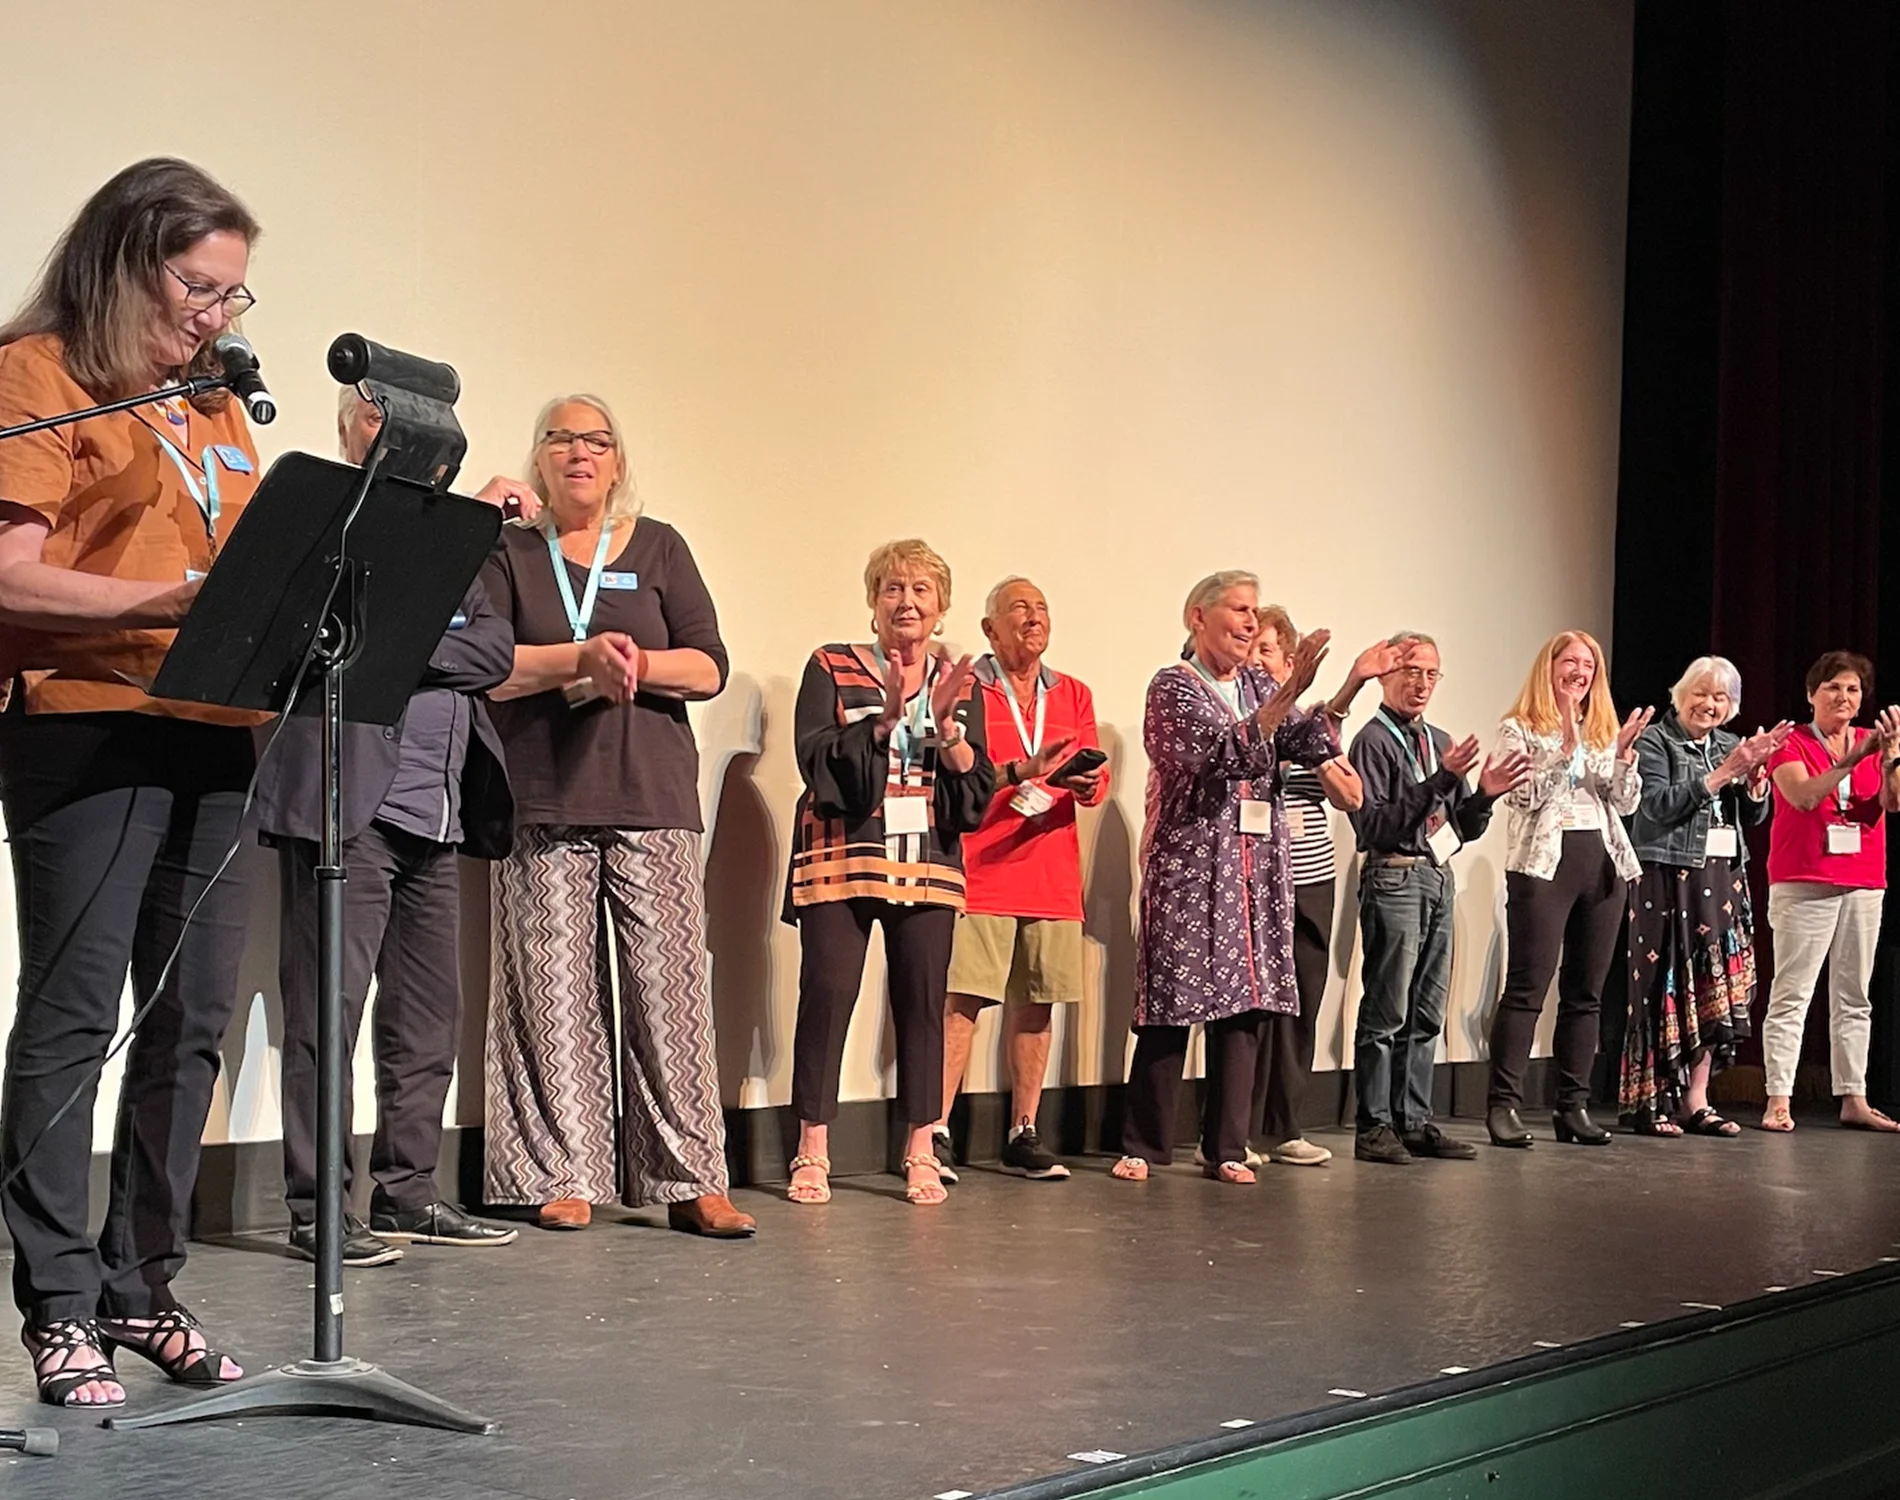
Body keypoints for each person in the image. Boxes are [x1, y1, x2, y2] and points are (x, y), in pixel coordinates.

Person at [0, 158, 261, 1406]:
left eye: (232, 296)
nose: (215, 316)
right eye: (198, 288)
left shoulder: (215, 403)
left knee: (190, 1020)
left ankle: (141, 1286)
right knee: (74, 1013)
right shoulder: (37, 375)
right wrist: (156, 601)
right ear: (125, 262)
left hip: (217, 725)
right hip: (87, 720)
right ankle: (57, 1303)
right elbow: (9, 574)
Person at [252, 388, 530, 1268]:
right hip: (348, 808)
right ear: (350, 433)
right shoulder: (328, 524)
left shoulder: (454, 547)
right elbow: (324, 637)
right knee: (326, 1016)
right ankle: (317, 1210)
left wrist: (403, 644)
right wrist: (411, 642)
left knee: (427, 1018)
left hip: (436, 816)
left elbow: (495, 650)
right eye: (373, 415)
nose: (394, 431)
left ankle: (408, 1193)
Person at [479, 394, 753, 1237]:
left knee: (669, 997)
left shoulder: (660, 545)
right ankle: (560, 1174)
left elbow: (708, 666)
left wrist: (631, 663)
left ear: (618, 461)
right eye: (560, 439)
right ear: (538, 458)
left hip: (652, 797)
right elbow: (487, 668)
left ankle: (691, 1178)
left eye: (596, 440)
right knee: (550, 997)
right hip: (543, 796)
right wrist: (578, 660)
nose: (579, 452)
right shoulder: (509, 551)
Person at [784, 540, 991, 1207]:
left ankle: (921, 1146)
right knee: (827, 998)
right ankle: (812, 1146)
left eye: (921, 589)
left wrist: (950, 732)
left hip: (926, 863)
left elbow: (975, 790)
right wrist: (886, 723)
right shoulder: (831, 664)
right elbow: (815, 757)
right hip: (840, 859)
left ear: (941, 605)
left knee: (922, 1005)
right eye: (893, 588)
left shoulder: (962, 680)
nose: (907, 602)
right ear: (873, 601)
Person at [1114, 571, 1335, 1185]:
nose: (1249, 621)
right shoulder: (1173, 687)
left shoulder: (1259, 683)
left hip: (1254, 870)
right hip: (1190, 868)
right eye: (1238, 609)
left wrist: (1345, 687)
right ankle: (1144, 1143)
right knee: (1170, 1004)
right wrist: (1286, 695)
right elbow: (1219, 755)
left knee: (1246, 1005)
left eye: (1253, 611)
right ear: (1198, 617)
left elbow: (1307, 741)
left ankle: (1227, 1147)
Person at [932, 576, 1107, 1184]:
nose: (1033, 618)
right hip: (980, 869)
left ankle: (1023, 1132)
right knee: (962, 1004)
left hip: (1052, 873)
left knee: (1038, 1003)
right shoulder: (968, 691)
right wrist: (1022, 775)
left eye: (1041, 608)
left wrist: (1086, 782)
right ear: (990, 628)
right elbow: (957, 777)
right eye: (1018, 609)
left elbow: (1094, 785)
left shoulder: (1074, 693)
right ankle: (935, 1131)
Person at [1348, 632, 1529, 1164]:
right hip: (1394, 878)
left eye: (1431, 673)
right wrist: (1440, 779)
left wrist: (1484, 796)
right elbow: (1375, 827)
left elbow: (1459, 829)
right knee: (1387, 1011)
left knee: (1427, 1012)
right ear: (1386, 674)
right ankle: (1374, 1126)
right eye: (1411, 671)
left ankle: (1412, 1120)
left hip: (1436, 877)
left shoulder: (1438, 740)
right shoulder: (1372, 742)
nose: (1422, 683)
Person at [1486, 630, 1651, 1149]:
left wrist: (1622, 757)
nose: (1579, 672)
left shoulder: (1604, 730)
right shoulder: (1518, 728)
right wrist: (1563, 749)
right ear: (1550, 667)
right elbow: (1522, 798)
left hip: (1601, 866)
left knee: (1585, 994)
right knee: (1528, 987)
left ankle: (1572, 1106)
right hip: (1543, 868)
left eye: (1588, 665)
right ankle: (1503, 1106)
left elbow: (1625, 803)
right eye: (1570, 662)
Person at [1237, 604, 1381, 1169]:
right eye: (1251, 649)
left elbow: (1350, 795)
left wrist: (1318, 745)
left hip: (1311, 877)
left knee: (1302, 1001)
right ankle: (1234, 1129)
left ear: (1291, 662)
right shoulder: (1240, 718)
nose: (1256, 660)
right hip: (1255, 877)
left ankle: (1284, 1127)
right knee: (1250, 1005)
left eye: (1267, 650)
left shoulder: (1308, 721)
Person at [1621, 658, 1787, 1137]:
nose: (1709, 705)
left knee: (1710, 990)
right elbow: (1654, 807)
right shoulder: (1656, 741)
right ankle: (1649, 1102)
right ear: (1681, 694)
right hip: (1667, 875)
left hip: (1722, 878)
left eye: (1720, 697)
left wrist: (1755, 785)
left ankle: (1696, 1100)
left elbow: (1751, 818)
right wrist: (1721, 774)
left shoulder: (1730, 744)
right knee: (1662, 985)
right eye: (1701, 693)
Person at [1758, 651, 1900, 1134]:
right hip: (1804, 881)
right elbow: (1803, 796)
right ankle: (1779, 1099)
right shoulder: (1790, 742)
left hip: (1863, 881)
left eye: (1853, 689)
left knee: (1854, 996)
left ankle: (1854, 1098)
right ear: (1811, 695)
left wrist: (1891, 757)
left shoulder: (1872, 743)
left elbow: (1893, 802)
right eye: (1833, 687)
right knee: (1792, 994)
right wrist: (1853, 760)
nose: (1844, 697)